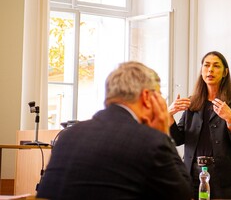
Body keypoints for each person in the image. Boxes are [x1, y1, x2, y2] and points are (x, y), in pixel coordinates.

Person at [36, 61, 192, 200]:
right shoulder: (150, 141)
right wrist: (163, 133)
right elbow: (184, 194)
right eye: (158, 95)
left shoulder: (67, 136)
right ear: (146, 97)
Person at [169, 51, 231, 199]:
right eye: (206, 65)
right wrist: (169, 116)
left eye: (216, 66)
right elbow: (178, 139)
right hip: (192, 176)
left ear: (225, 72)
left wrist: (230, 119)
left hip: (223, 179)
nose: (210, 70)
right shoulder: (192, 101)